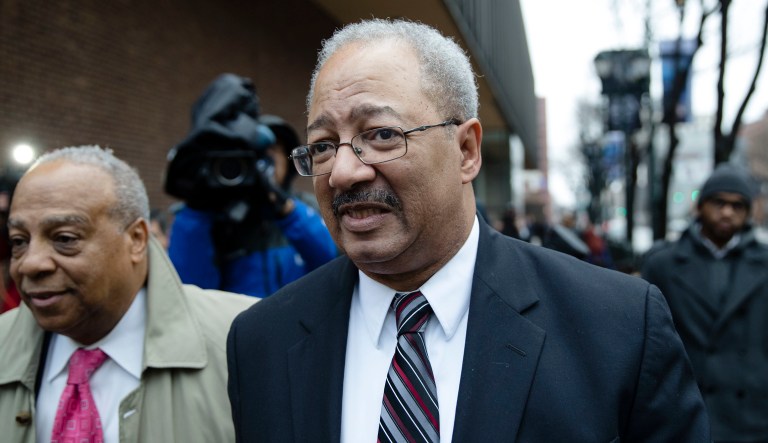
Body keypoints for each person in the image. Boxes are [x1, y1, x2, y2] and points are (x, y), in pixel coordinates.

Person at [227, 18, 710, 442]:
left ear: (466, 151)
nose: (344, 173)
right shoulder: (260, 343)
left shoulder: (619, 327)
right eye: (324, 145)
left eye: (381, 135)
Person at [0, 145, 256, 442]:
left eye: (64, 239)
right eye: (19, 241)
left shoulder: (247, 338)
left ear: (136, 239)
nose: (31, 263)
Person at [166, 74, 337, 298]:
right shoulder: (219, 215)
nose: (267, 162)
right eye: (260, 155)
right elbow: (191, 291)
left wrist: (283, 209)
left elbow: (331, 262)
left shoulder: (303, 208)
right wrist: (199, 207)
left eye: (275, 152)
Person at [641, 163, 768, 442]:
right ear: (700, 206)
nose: (727, 212)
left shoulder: (765, 264)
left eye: (737, 205)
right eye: (718, 202)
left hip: (752, 415)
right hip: (686, 409)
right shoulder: (663, 264)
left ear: (748, 212)